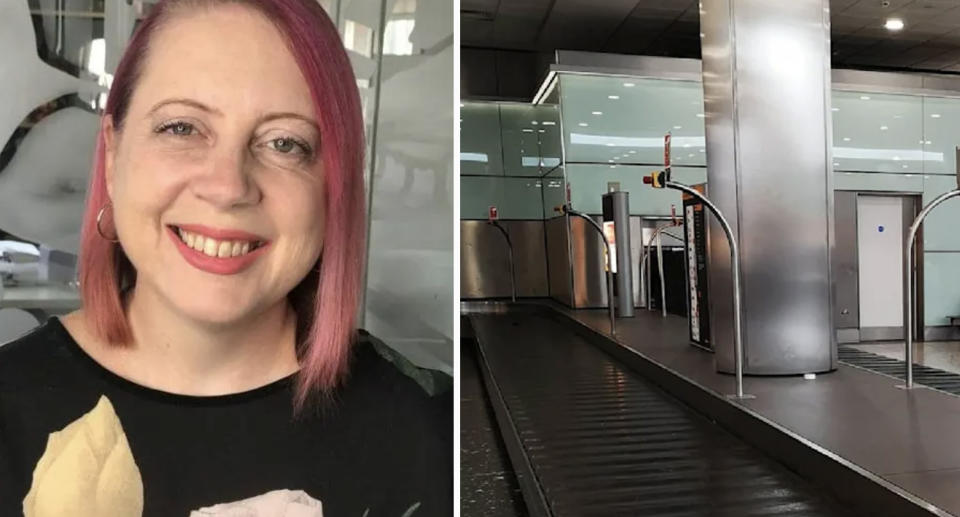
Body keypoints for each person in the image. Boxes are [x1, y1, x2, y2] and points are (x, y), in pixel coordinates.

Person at [0, 1, 452, 515]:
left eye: (285, 143)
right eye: (181, 128)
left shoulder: (436, 436)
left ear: (332, 188)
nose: (228, 186)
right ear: (112, 154)